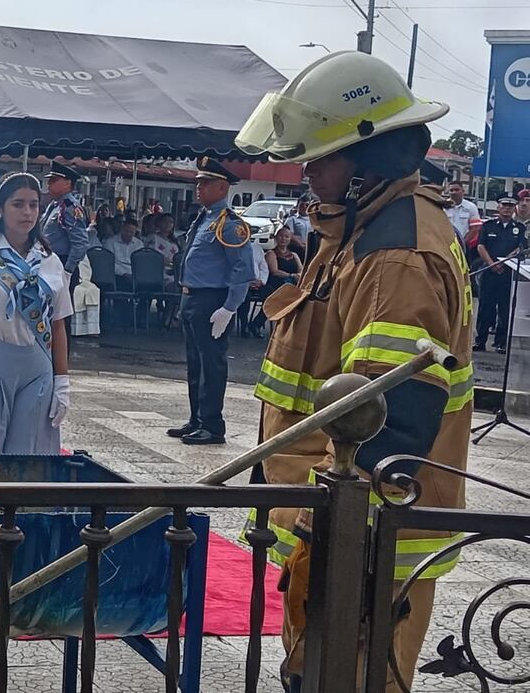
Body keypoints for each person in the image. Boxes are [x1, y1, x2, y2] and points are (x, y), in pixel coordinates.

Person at [235, 50, 474, 692]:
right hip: (333, 524)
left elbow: (390, 417)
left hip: (361, 537)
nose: (309, 174)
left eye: (321, 158)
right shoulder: (362, 231)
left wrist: (334, 531)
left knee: (351, 679)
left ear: (367, 158)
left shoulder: (395, 254)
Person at [0, 172, 70, 454]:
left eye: (34, 204)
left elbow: (58, 325)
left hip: (37, 367)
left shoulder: (50, 261)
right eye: (18, 204)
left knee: (30, 455)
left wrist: (62, 382)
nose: (27, 212)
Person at [168, 157, 254, 445]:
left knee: (212, 364)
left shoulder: (230, 224)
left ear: (221, 187)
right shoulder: (204, 218)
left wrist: (230, 308)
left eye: (205, 183)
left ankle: (213, 426)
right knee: (195, 363)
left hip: (211, 300)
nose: (198, 188)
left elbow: (242, 269)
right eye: (198, 183)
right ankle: (197, 419)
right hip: (191, 297)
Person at [473, 196, 526, 354]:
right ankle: (480, 341)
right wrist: (492, 264)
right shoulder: (488, 226)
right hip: (489, 272)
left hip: (507, 273)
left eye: (511, 206)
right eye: (504, 205)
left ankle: (500, 343)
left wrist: (504, 262)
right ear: (498, 207)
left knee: (505, 309)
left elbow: (520, 248)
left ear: (514, 208)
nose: (507, 209)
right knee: (485, 307)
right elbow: (481, 246)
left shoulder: (519, 228)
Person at [39, 161, 90, 282]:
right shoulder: (55, 204)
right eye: (49, 180)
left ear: (67, 183)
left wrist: (67, 271)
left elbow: (80, 243)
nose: (49, 184)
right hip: (48, 262)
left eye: (54, 180)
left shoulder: (70, 207)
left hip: (61, 263)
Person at [246, 225, 302, 336]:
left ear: (290, 239)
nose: (283, 239)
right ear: (276, 238)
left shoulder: (294, 255)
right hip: (274, 284)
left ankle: (292, 329)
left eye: (286, 236)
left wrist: (298, 275)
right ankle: (258, 324)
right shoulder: (271, 254)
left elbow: (301, 270)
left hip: (291, 285)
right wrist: (291, 275)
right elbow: (275, 271)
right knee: (279, 298)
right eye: (281, 236)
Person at [110, 217, 144, 292]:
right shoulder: (110, 242)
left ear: (135, 232)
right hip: (117, 275)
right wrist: (123, 273)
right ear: (122, 229)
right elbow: (109, 263)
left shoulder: (139, 244)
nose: (128, 234)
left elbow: (141, 263)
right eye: (126, 231)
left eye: (131, 232)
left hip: (135, 275)